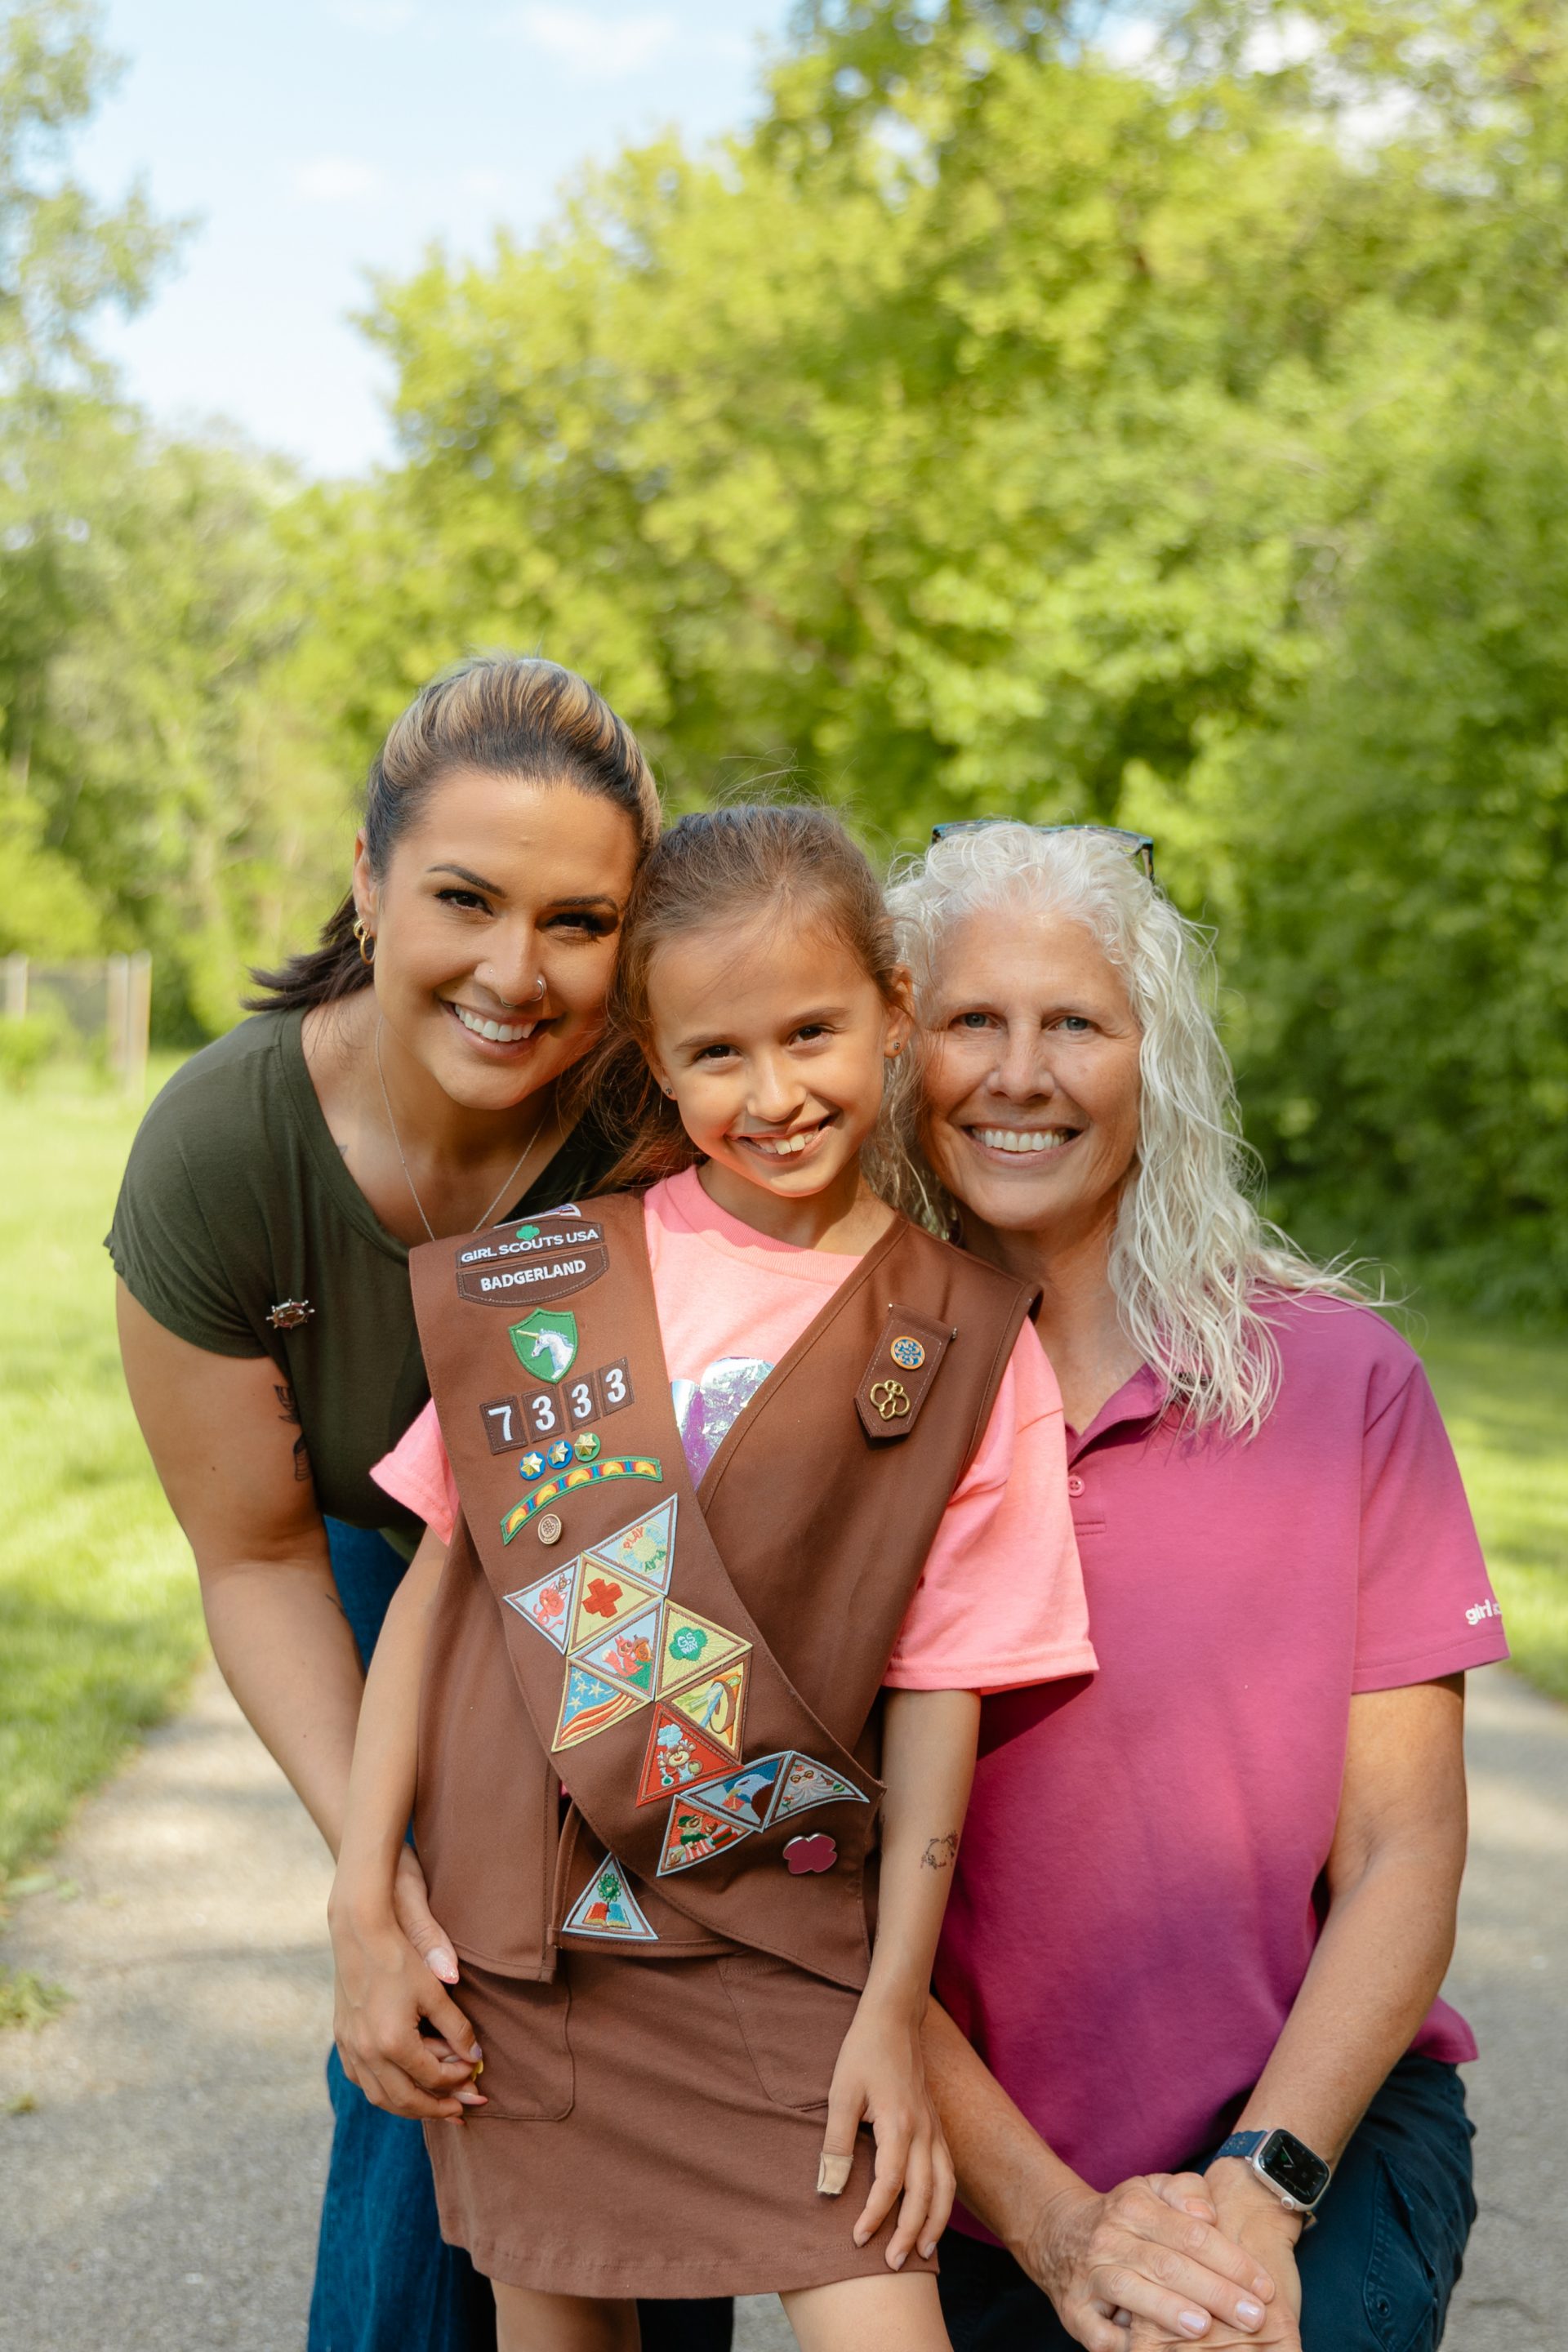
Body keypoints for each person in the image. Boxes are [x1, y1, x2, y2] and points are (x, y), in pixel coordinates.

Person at [331, 805, 1097, 2351]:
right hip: (525, 1962)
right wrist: (363, 1899)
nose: (774, 1093)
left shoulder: (963, 1338)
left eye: (811, 1032)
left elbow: (942, 1694)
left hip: (777, 1939)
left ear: (894, 1009)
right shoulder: (553, 1284)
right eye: (718, 1055)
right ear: (658, 1065)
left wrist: (891, 2009)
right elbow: (432, 1601)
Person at [109, 658, 726, 2352]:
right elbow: (254, 1558)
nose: (517, 975)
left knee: (643, 2022)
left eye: (579, 923)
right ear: (369, 883)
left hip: (630, 1570)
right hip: (379, 1574)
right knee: (429, 1984)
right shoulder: (222, 1152)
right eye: (466, 899)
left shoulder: (660, 1119)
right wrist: (369, 1881)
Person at [875, 822, 1510, 2352]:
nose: (1020, 1074)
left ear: (1155, 1062)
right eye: (972, 1020)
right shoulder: (835, 1412)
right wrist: (1058, 2227)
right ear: (901, 1052)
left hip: (1312, 2138)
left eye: (1076, 1024)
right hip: (977, 2173)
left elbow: (1404, 1847)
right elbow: (815, 1899)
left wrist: (1254, 2196)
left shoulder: (1343, 1383)